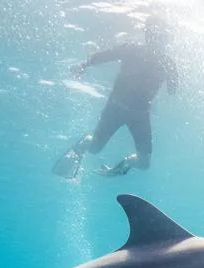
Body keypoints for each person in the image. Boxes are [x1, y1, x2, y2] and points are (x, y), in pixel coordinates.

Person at [52, 17, 179, 179]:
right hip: (116, 108)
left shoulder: (168, 63)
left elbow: (173, 90)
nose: (160, 41)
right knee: (95, 148)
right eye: (157, 36)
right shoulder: (133, 50)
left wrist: (167, 76)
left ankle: (123, 165)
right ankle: (80, 148)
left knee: (144, 162)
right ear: (150, 36)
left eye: (163, 38)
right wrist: (83, 65)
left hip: (140, 114)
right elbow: (106, 55)